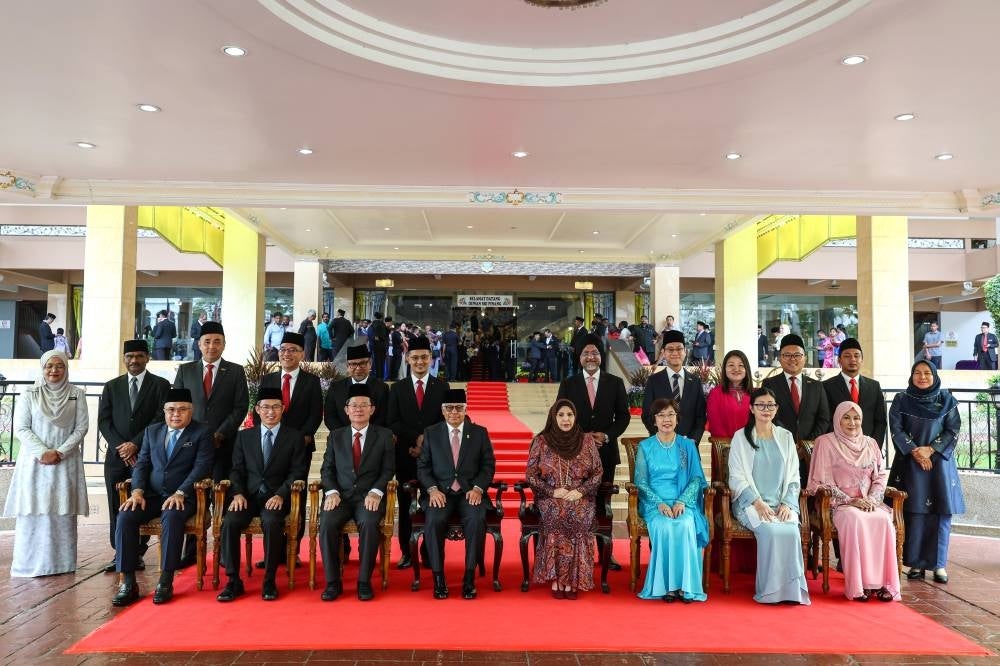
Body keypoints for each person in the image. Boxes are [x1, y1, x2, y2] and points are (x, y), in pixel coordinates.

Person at [112, 387, 215, 606]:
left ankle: (166, 580)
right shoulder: (153, 431)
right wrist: (137, 492)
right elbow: (142, 464)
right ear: (165, 411)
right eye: (171, 410)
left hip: (184, 497)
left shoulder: (201, 432)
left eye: (182, 409)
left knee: (172, 515)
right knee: (125, 516)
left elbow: (201, 466)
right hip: (151, 495)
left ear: (191, 410)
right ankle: (128, 583)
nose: (176, 414)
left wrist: (181, 492)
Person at [217, 388, 310, 602]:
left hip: (277, 497)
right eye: (266, 407)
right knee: (230, 522)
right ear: (257, 409)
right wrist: (238, 493)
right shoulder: (244, 436)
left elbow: (297, 471)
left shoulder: (294, 437)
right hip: (248, 496)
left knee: (271, 521)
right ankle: (233, 581)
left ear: (283, 409)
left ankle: (269, 580)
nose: (271, 412)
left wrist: (281, 494)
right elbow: (236, 470)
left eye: (276, 407)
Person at [4, 350, 89, 577]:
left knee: (60, 512)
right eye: (49, 366)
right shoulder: (30, 393)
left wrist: (59, 452)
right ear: (42, 368)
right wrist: (42, 452)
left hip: (65, 462)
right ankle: (28, 565)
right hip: (35, 462)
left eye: (59, 366)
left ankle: (60, 564)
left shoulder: (76, 394)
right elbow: (21, 428)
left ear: (66, 368)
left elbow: (81, 428)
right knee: (35, 511)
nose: (54, 370)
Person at [807, 401, 900, 602]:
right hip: (839, 504)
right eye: (846, 417)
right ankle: (860, 586)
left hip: (869, 501)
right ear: (837, 419)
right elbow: (821, 482)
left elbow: (880, 475)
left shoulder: (871, 443)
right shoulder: (825, 442)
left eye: (856, 418)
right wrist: (851, 501)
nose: (852, 423)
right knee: (855, 519)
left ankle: (882, 583)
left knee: (883, 519)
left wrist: (874, 500)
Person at [173, 320, 249, 566]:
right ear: (199, 344)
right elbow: (178, 406)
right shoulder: (186, 370)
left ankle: (225, 552)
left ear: (224, 345)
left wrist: (220, 433)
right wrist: (196, 436)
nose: (212, 346)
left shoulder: (236, 371)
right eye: (207, 342)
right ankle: (193, 552)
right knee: (195, 496)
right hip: (192, 447)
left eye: (217, 341)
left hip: (224, 444)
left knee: (223, 495)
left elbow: (240, 407)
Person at [728, 387, 810, 605]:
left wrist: (788, 503)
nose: (766, 409)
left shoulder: (785, 437)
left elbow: (794, 475)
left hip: (782, 502)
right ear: (751, 408)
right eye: (760, 405)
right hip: (751, 504)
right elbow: (736, 477)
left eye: (770, 405)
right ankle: (770, 592)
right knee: (772, 531)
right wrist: (757, 502)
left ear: (776, 409)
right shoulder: (740, 438)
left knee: (791, 531)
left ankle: (791, 592)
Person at [556, 334, 630, 570]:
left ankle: (605, 554)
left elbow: (624, 417)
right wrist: (582, 437)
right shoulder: (569, 383)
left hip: (605, 452)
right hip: (575, 454)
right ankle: (578, 554)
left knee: (601, 503)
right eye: (586, 353)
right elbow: (561, 414)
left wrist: (607, 435)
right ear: (580, 358)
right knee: (577, 502)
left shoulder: (615, 382)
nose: (591, 357)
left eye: (595, 353)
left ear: (601, 356)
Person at [97, 339, 171, 573]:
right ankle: (119, 551)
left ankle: (137, 553)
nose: (134, 361)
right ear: (124, 359)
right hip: (116, 457)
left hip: (146, 455)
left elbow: (160, 418)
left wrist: (135, 444)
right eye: (129, 356)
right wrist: (122, 446)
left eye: (139, 356)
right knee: (115, 504)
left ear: (147, 358)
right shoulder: (112, 386)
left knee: (141, 500)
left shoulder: (161, 385)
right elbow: (104, 421)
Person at [888, 360, 964, 584]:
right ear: (911, 376)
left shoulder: (947, 401)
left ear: (934, 376)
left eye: (927, 373)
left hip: (939, 465)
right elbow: (896, 429)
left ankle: (939, 565)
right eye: (917, 373)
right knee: (914, 513)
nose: (922, 377)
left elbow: (953, 429)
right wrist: (915, 451)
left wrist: (931, 449)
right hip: (911, 466)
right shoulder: (901, 400)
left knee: (940, 514)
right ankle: (915, 565)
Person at [318, 384, 395, 601]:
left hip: (368, 497)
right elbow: (327, 469)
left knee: (370, 524)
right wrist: (331, 491)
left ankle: (364, 581)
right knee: (327, 523)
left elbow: (388, 469)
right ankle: (333, 582)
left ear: (372, 409)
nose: (358, 409)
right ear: (346, 410)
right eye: (354, 405)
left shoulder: (384, 435)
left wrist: (376, 491)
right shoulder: (336, 436)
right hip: (340, 497)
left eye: (364, 405)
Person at [417, 389, 496, 600]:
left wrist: (478, 488)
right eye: (449, 408)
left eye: (459, 408)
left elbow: (488, 466)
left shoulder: (479, 433)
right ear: (442, 411)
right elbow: (423, 467)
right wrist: (432, 489)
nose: (454, 412)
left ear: (465, 409)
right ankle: (438, 577)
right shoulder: (432, 433)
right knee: (433, 520)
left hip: (469, 492)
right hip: (440, 493)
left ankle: (469, 577)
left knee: (476, 518)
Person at [255, 331, 322, 565]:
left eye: (292, 350)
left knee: (296, 495)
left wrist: (303, 437)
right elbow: (259, 413)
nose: (286, 354)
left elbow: (315, 414)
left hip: (299, 448)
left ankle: (292, 550)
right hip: (269, 450)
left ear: (302, 354)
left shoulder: (311, 381)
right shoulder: (268, 379)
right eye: (283, 349)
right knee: (269, 496)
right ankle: (272, 551)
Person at [525, 399, 603, 599]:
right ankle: (558, 578)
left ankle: (573, 580)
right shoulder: (541, 441)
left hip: (580, 496)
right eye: (561, 415)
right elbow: (531, 475)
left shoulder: (586, 441)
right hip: (550, 496)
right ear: (554, 416)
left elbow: (597, 473)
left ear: (575, 417)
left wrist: (581, 491)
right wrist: (552, 491)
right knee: (558, 513)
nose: (566, 419)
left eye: (570, 414)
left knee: (577, 514)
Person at [635, 398, 709, 602]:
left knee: (685, 524)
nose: (666, 419)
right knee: (665, 526)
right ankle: (667, 587)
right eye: (661, 415)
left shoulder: (687, 445)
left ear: (677, 419)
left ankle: (685, 586)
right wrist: (658, 503)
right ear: (654, 420)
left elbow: (696, 479)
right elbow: (641, 482)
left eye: (670, 415)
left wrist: (682, 501)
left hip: (683, 502)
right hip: (655, 503)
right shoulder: (645, 446)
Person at [387, 335, 449, 568]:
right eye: (415, 358)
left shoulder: (442, 386)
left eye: (424, 357)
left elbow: (446, 420)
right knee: (406, 507)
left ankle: (429, 552)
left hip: (435, 460)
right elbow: (392, 421)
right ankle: (407, 552)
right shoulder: (397, 388)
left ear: (431, 358)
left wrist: (426, 440)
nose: (420, 361)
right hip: (406, 455)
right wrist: (415, 438)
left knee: (434, 505)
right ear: (407, 358)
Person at [761, 333, 831, 485]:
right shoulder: (769, 384)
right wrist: (789, 442)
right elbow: (769, 416)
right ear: (780, 358)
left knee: (811, 496)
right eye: (787, 355)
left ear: (804, 358)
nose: (792, 359)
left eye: (797, 355)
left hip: (811, 453)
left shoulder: (817, 386)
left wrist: (808, 444)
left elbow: (824, 418)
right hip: (779, 450)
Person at [642, 330, 706, 445]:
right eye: (670, 349)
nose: (675, 353)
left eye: (679, 349)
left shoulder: (695, 381)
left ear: (685, 351)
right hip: (661, 446)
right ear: (663, 352)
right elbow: (647, 415)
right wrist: (663, 438)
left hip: (689, 446)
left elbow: (700, 416)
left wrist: (693, 440)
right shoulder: (653, 381)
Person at [823, 338, 887, 447]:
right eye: (847, 356)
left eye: (857, 356)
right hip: (838, 449)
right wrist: (837, 446)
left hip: (867, 449)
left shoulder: (874, 387)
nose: (852, 359)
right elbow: (826, 420)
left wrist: (874, 447)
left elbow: (880, 421)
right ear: (839, 360)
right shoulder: (826, 386)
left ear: (862, 359)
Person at [706, 350, 754, 440]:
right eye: (731, 365)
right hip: (725, 448)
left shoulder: (756, 394)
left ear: (746, 369)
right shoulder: (715, 393)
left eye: (741, 365)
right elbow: (715, 425)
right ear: (724, 369)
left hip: (752, 446)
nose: (736, 369)